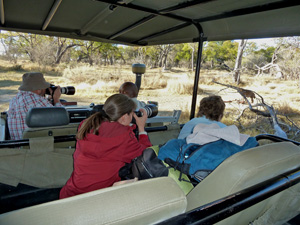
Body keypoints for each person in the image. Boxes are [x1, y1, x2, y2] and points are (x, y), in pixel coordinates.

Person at [59, 94, 152, 199]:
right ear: (124, 117)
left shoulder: (87, 124)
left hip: (70, 194)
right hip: (97, 198)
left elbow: (108, 132)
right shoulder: (124, 136)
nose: (132, 117)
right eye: (131, 114)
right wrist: (141, 129)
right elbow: (147, 156)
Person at [7, 72, 62, 140]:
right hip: (36, 148)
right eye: (44, 87)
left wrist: (48, 99)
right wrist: (56, 99)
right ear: (39, 89)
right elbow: (61, 118)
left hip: (19, 147)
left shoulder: (14, 100)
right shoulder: (37, 100)